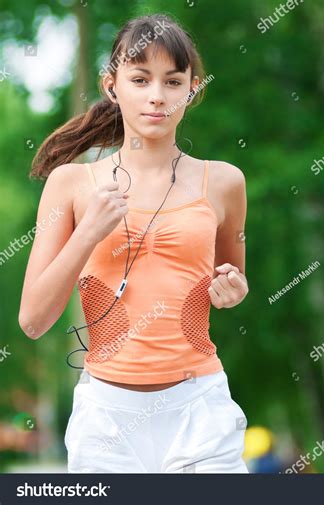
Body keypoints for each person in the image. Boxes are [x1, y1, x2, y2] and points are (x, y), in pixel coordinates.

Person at [18, 13, 249, 473]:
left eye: (173, 80)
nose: (157, 96)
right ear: (112, 86)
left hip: (200, 409)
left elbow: (232, 281)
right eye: (140, 79)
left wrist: (233, 289)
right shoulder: (71, 185)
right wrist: (88, 232)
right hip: (105, 418)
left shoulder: (223, 182)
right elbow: (33, 320)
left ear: (193, 88)